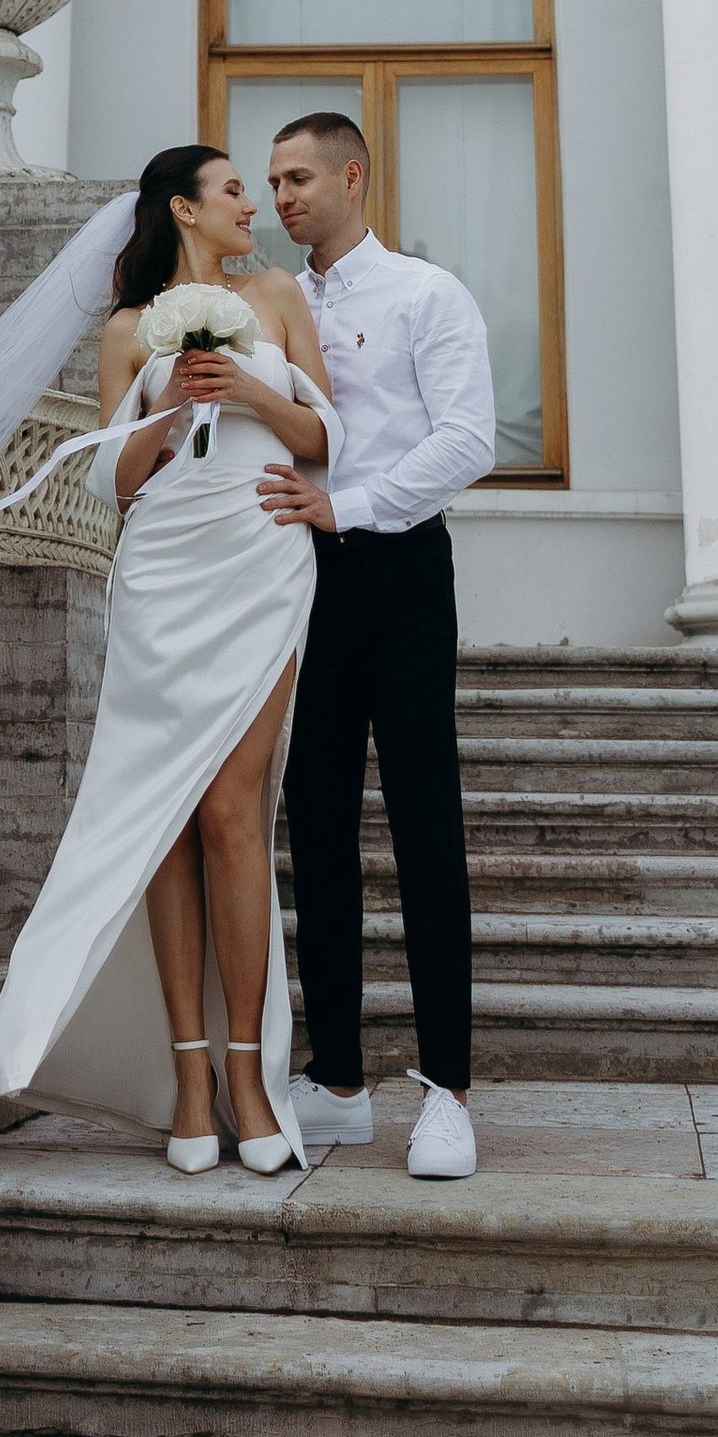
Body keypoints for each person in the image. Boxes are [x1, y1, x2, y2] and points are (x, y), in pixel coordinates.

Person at [0, 144, 340, 1173]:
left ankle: (251, 1076)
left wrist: (249, 395)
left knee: (230, 812)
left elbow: (320, 432)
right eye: (230, 190)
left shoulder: (274, 294)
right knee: (165, 818)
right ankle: (188, 1079)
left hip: (258, 562)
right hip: (164, 570)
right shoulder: (128, 330)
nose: (250, 203)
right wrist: (168, 404)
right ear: (183, 208)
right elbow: (111, 481)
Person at [260, 109, 496, 1184]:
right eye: (271, 182)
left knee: (421, 820)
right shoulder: (272, 303)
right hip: (297, 581)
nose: (283, 197)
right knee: (313, 821)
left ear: (353, 173)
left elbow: (466, 441)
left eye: (300, 176)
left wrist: (347, 507)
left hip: (398, 570)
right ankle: (339, 1078)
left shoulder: (427, 294)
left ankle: (445, 1089)